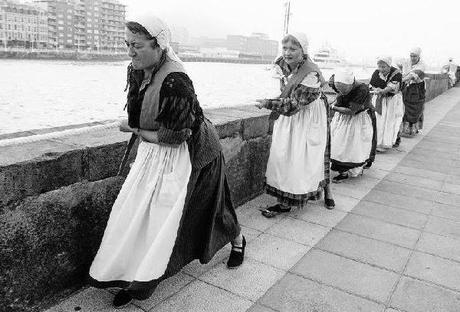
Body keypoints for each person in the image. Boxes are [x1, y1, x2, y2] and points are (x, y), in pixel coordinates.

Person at [88, 14, 245, 308]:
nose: (130, 52)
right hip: (154, 153)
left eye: (136, 45)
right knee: (139, 214)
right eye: (127, 44)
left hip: (191, 154)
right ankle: (134, 278)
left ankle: (238, 240)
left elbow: (174, 137)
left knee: (212, 208)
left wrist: (133, 129)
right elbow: (139, 110)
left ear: (158, 45)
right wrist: (137, 123)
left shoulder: (176, 81)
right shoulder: (138, 69)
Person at [255, 32, 335, 217]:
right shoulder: (282, 63)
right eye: (285, 48)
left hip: (309, 115)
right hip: (291, 117)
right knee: (286, 156)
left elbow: (294, 104)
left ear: (303, 50)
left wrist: (268, 103)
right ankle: (284, 201)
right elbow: (285, 88)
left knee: (314, 155)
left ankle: (328, 191)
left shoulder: (310, 73)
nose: (287, 52)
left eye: (293, 48)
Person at [329, 69, 377, 183]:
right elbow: (339, 96)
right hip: (341, 118)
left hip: (357, 119)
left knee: (354, 145)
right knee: (339, 144)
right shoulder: (334, 81)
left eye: (344, 90)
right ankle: (343, 170)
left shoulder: (362, 89)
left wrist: (332, 107)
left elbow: (351, 111)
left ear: (351, 84)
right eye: (339, 89)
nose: (342, 92)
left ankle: (350, 169)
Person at [369, 56, 404, 150]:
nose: (381, 69)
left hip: (391, 100)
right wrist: (375, 89)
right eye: (379, 66)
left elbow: (392, 86)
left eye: (383, 67)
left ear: (389, 66)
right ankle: (378, 143)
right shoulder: (376, 73)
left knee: (390, 121)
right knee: (379, 120)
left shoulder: (396, 73)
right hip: (380, 100)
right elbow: (371, 85)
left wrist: (382, 90)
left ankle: (388, 142)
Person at [401, 47, 426, 136]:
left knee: (416, 108)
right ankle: (406, 130)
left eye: (414, 56)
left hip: (418, 88)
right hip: (407, 88)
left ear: (418, 56)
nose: (412, 58)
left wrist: (401, 80)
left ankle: (414, 129)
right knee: (406, 107)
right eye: (411, 56)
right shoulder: (406, 62)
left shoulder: (422, 65)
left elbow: (412, 75)